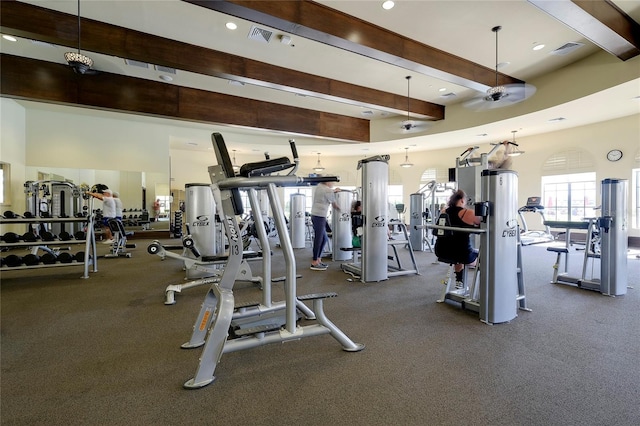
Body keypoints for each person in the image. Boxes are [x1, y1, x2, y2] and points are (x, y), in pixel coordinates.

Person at [434, 189, 481, 285]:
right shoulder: (469, 213)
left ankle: (459, 282)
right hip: (463, 254)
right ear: (462, 200)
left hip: (441, 251)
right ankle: (487, 290)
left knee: (458, 254)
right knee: (485, 257)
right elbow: (483, 225)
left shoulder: (444, 212)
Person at [310, 179, 340, 270]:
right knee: (319, 239)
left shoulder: (320, 186)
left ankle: (318, 259)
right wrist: (345, 211)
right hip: (319, 216)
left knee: (324, 239)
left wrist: (334, 191)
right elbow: (335, 205)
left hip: (317, 215)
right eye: (332, 182)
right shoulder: (327, 190)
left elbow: (327, 193)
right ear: (327, 182)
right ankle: (314, 262)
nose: (333, 184)